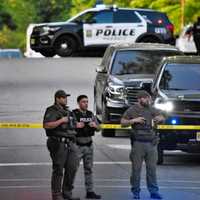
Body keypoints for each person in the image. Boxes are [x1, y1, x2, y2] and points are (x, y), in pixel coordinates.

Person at [121, 91, 165, 199]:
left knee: (152, 170)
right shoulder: (132, 110)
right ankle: (136, 192)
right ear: (139, 99)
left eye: (149, 98)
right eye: (146, 98)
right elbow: (122, 122)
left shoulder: (151, 109)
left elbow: (163, 116)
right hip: (138, 143)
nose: (148, 100)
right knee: (136, 170)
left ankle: (154, 191)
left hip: (152, 143)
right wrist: (134, 120)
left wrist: (161, 118)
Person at [43, 90, 80, 200]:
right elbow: (46, 125)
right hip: (58, 142)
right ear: (57, 98)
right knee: (58, 169)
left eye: (66, 97)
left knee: (72, 168)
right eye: (63, 97)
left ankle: (67, 193)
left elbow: (74, 124)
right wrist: (60, 121)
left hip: (70, 143)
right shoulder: (52, 110)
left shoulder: (68, 111)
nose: (65, 99)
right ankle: (56, 195)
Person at [72, 95, 101, 199]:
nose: (86, 104)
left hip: (89, 145)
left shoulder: (90, 114)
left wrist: (95, 125)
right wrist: (75, 125)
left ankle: (90, 191)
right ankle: (68, 193)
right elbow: (67, 127)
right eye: (84, 102)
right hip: (77, 146)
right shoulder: (74, 114)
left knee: (89, 169)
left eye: (87, 102)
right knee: (72, 170)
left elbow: (99, 128)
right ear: (78, 103)